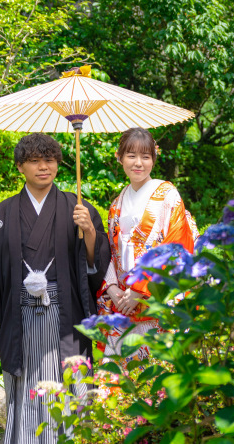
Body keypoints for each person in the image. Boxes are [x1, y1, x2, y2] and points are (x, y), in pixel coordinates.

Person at [0, 133, 110, 444]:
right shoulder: (2, 214)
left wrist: (88, 230)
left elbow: (95, 263)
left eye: (49, 160)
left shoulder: (77, 208)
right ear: (20, 166)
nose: (43, 167)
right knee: (25, 381)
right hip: (18, 313)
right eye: (34, 161)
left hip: (64, 312)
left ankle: (73, 437)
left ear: (59, 165)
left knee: (68, 379)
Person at [96, 127, 198, 361]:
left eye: (146, 156)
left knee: (157, 381)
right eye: (131, 156)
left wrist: (140, 291)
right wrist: (113, 289)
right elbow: (112, 254)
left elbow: (176, 245)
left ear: (154, 157)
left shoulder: (168, 194)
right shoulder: (116, 204)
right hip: (124, 304)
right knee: (118, 383)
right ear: (119, 157)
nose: (138, 163)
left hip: (155, 299)